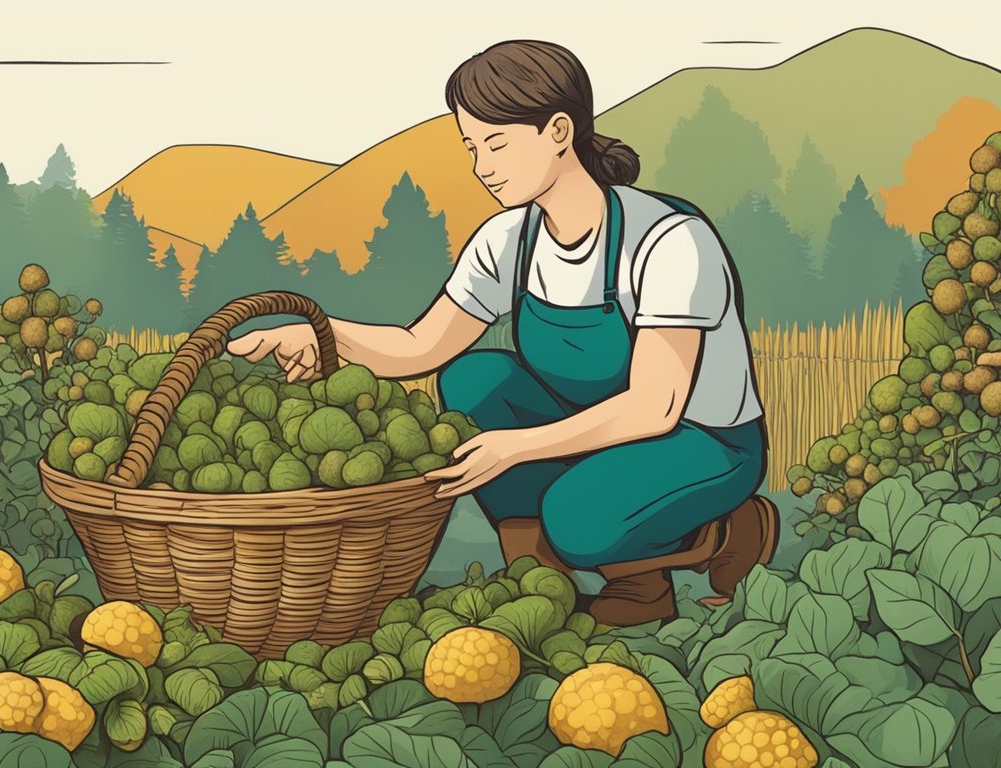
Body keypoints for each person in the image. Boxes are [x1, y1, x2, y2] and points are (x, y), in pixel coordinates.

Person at [225, 39, 777, 626]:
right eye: (471, 146)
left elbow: (654, 407)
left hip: (702, 440)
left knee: (578, 517)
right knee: (474, 378)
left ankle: (724, 533)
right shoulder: (507, 238)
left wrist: (516, 447)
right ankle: (543, 576)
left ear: (559, 131)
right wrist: (319, 335)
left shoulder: (668, 241)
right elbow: (422, 346)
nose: (481, 165)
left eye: (497, 143)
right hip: (592, 425)